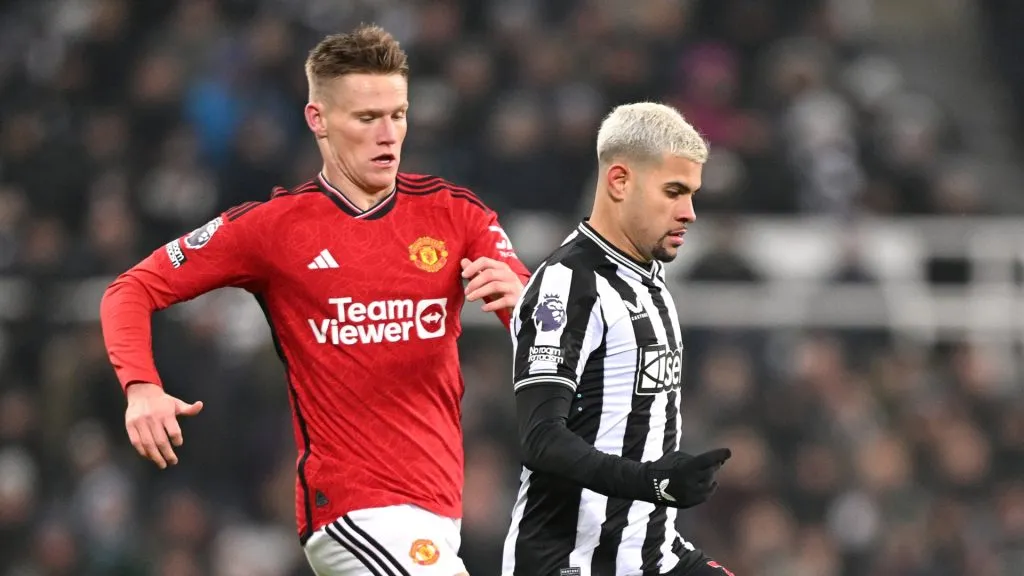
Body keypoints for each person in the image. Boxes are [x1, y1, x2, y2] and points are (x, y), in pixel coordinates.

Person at [99, 25, 530, 576]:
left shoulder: (456, 214)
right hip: (349, 510)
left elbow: (544, 323)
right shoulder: (274, 229)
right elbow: (130, 289)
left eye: (398, 114)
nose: (388, 135)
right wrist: (141, 386)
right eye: (367, 118)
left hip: (438, 508)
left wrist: (525, 302)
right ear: (318, 119)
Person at [502, 102, 735, 576]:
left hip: (653, 555)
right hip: (571, 562)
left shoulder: (650, 282)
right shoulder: (569, 283)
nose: (689, 213)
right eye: (673, 191)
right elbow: (541, 438)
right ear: (620, 181)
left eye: (692, 194)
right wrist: (652, 483)